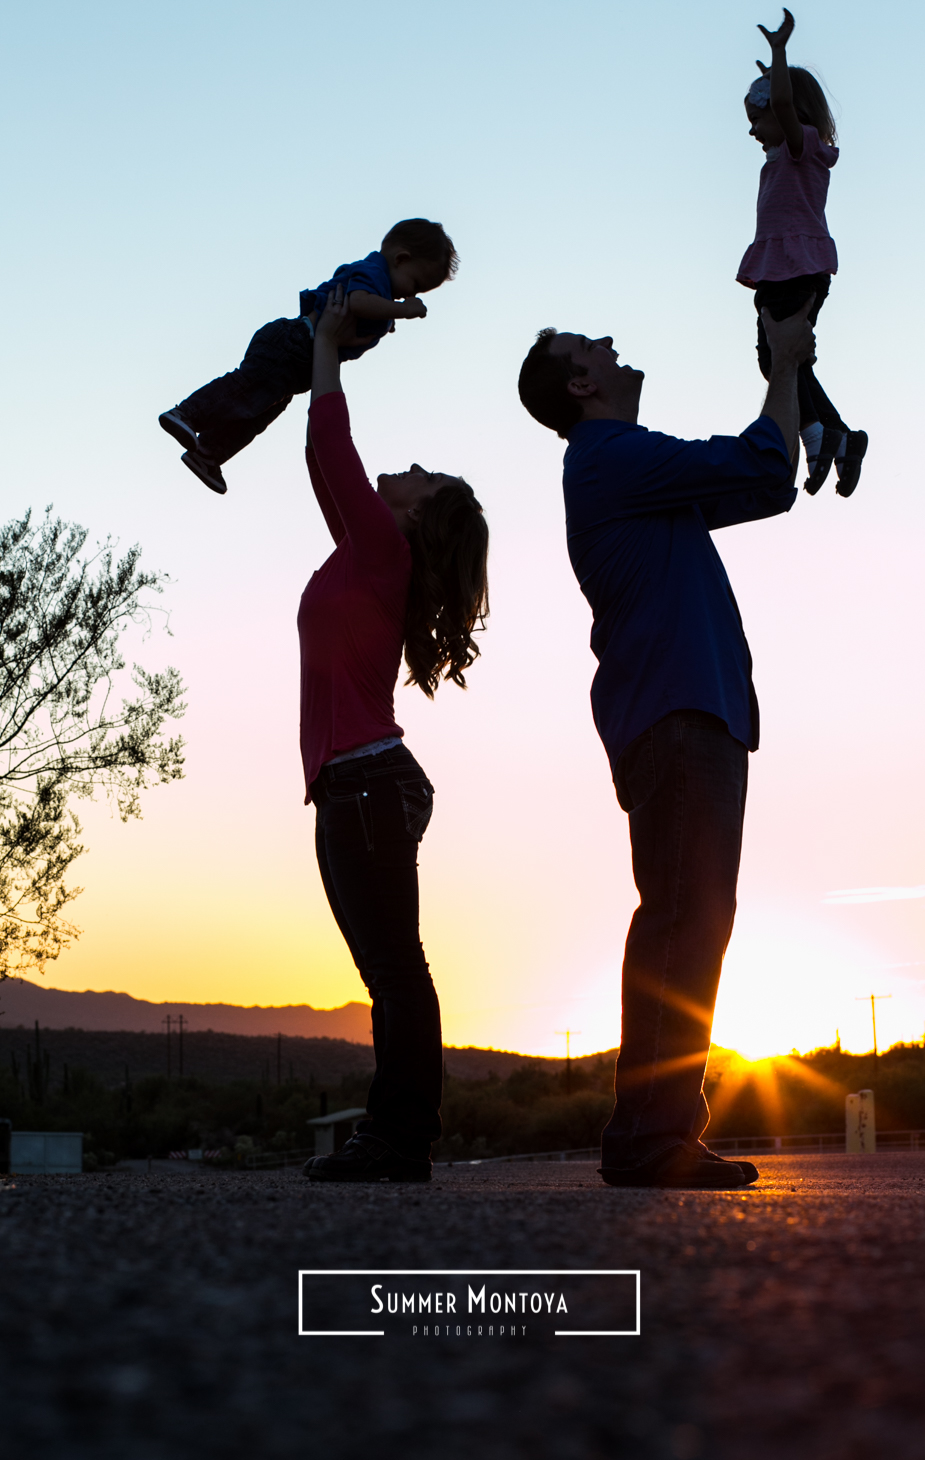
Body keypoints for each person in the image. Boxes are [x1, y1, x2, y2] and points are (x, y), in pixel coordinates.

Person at [517, 301, 816, 1189]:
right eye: (592, 345)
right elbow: (762, 457)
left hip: (696, 710)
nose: (611, 343)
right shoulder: (612, 457)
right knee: (684, 918)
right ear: (582, 383)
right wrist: (786, 366)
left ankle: (654, 1133)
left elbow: (768, 483)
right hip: (679, 712)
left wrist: (790, 381)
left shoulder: (637, 477)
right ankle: (651, 1138)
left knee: (690, 918)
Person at [300, 287, 489, 1184]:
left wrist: (329, 346)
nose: (405, 470)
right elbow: (329, 474)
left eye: (424, 477)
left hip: (369, 785)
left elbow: (329, 452)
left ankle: (401, 1138)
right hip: (358, 784)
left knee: (395, 969)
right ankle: (396, 1134)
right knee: (388, 968)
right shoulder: (366, 554)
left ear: (418, 516)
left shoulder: (385, 550)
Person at [158, 218, 458, 495]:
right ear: (401, 259)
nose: (411, 296)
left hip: (299, 363)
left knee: (257, 414)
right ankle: (188, 413)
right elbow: (357, 302)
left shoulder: (381, 287)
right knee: (245, 390)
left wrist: (385, 320)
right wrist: (402, 312)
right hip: (294, 344)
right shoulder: (374, 273)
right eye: (416, 285)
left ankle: (207, 454)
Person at [741, 9, 867, 496]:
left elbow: (789, 109)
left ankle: (819, 437)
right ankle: (842, 439)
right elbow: (782, 109)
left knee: (778, 358)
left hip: (795, 266)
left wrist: (779, 55)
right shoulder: (783, 156)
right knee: (784, 359)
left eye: (759, 118)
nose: (753, 132)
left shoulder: (801, 147)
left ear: (786, 109)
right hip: (788, 266)